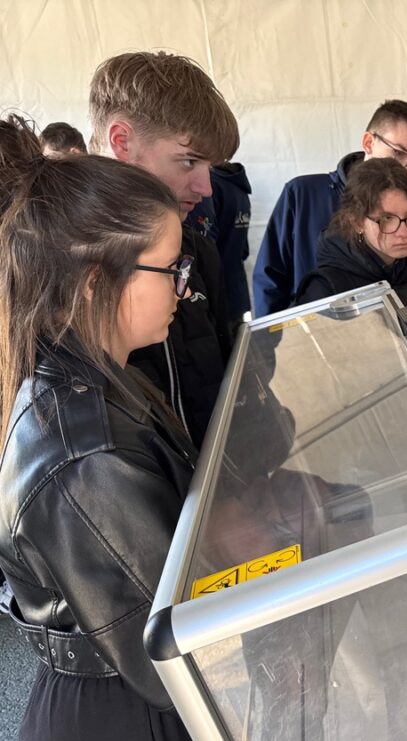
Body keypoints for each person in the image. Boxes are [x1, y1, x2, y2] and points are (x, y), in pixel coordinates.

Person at [0, 114, 217, 741]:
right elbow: (168, 654)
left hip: (129, 716)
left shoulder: (102, 377)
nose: (185, 285)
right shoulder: (85, 452)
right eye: (170, 267)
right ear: (97, 280)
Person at [89, 51, 239, 447]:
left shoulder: (199, 253)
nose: (206, 189)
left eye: (210, 167)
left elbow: (225, 370)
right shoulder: (59, 265)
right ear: (122, 141)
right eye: (188, 161)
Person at [254, 100, 407, 316]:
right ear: (369, 142)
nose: (406, 170)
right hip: (315, 336)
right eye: (399, 154)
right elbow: (270, 282)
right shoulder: (304, 195)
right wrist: (272, 345)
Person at [294, 158, 407, 390]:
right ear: (356, 222)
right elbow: (314, 388)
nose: (403, 232)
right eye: (386, 219)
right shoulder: (325, 290)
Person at [189, 162, 254, 327]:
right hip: (237, 294)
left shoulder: (210, 187)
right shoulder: (240, 189)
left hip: (215, 299)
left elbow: (202, 250)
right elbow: (243, 250)